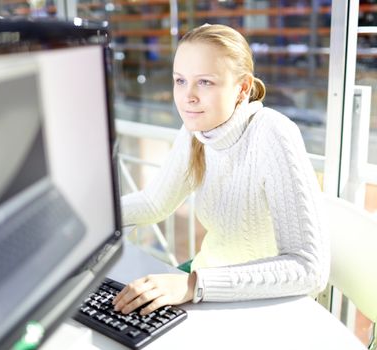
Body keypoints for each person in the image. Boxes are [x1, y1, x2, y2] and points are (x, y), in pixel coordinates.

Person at [112, 24, 330, 316]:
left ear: (241, 88)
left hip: (262, 306)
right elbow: (154, 203)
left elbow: (310, 268)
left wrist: (193, 285)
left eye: (205, 82)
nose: (187, 96)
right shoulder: (196, 129)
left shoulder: (273, 133)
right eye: (180, 81)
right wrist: (93, 219)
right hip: (206, 285)